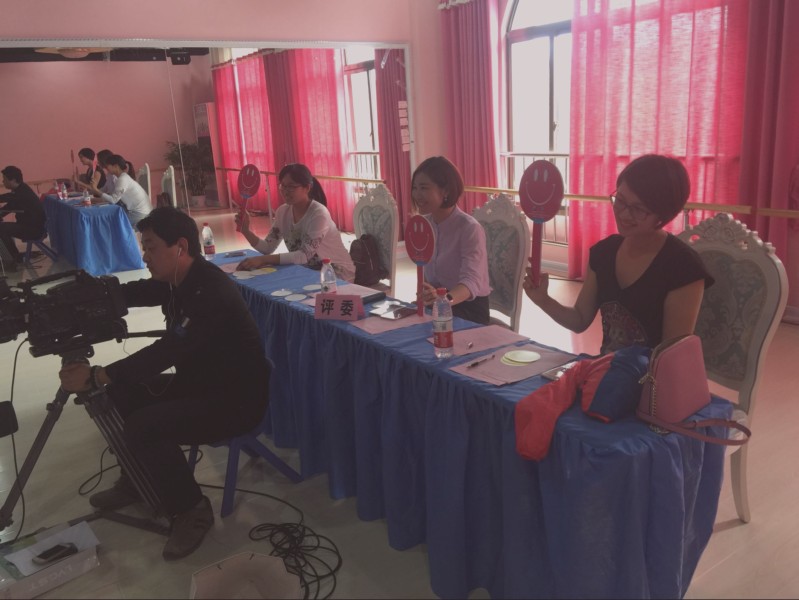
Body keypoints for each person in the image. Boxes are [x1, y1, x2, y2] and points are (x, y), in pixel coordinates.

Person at [58, 207, 271, 561]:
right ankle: (137, 479)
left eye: (151, 247)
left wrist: (97, 374)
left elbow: (167, 351)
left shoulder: (209, 291)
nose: (145, 256)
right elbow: (137, 292)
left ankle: (192, 510)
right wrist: (93, 295)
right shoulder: (176, 280)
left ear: (180, 247)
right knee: (120, 391)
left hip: (235, 401)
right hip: (201, 383)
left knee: (144, 425)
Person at [523, 154, 714, 354]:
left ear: (664, 214)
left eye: (638, 209)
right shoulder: (604, 253)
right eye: (620, 200)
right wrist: (543, 300)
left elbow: (672, 356)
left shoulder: (682, 268)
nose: (624, 214)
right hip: (607, 369)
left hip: (652, 374)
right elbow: (579, 319)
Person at [236, 163, 356, 281]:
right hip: (308, 271)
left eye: (291, 187)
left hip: (336, 273)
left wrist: (263, 260)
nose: (285, 191)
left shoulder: (319, 214)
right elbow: (267, 248)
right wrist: (245, 231)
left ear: (307, 188)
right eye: (283, 186)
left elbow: (303, 256)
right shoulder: (282, 212)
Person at [411, 156, 491, 324]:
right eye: (415, 188)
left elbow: (471, 282)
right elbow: (426, 272)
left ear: (445, 191)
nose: (417, 195)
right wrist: (428, 295)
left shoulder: (469, 228)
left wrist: (443, 301)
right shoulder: (424, 225)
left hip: (468, 309)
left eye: (424, 188)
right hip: (438, 303)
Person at [0, 166, 47, 269]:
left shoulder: (22, 192)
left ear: (13, 180)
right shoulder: (20, 189)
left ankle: (12, 261)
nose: (3, 182)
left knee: (1, 228)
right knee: (3, 227)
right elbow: (9, 206)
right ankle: (14, 257)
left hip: (34, 230)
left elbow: (7, 198)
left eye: (4, 179)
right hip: (30, 226)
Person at [89, 154, 152, 226]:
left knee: (112, 225)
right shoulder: (122, 178)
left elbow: (113, 200)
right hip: (138, 211)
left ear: (116, 166)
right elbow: (113, 197)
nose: (106, 168)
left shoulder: (123, 179)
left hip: (141, 214)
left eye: (107, 166)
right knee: (110, 220)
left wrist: (96, 190)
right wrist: (95, 193)